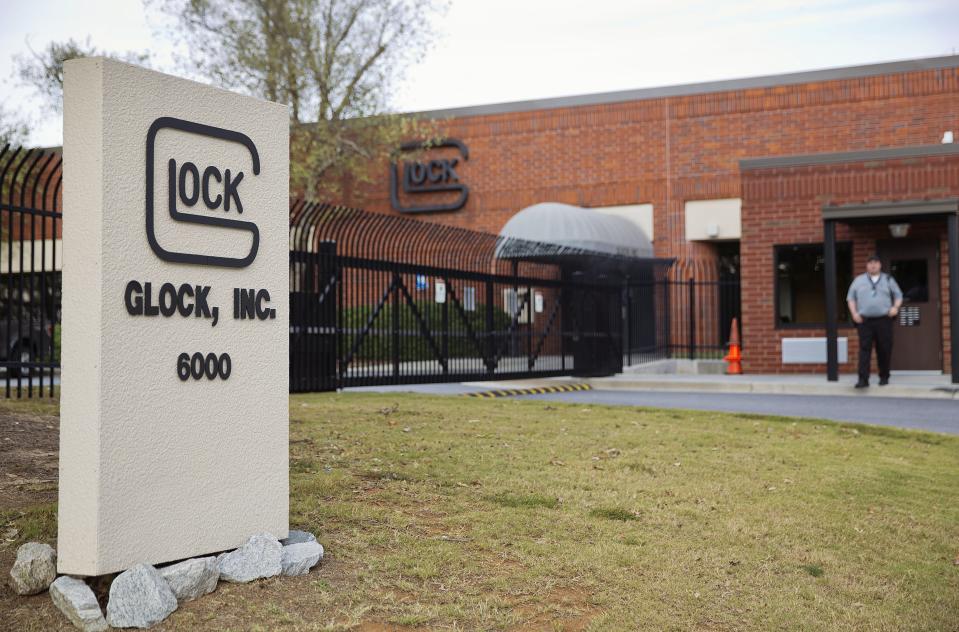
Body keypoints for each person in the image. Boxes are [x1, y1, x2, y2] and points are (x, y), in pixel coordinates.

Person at [846, 255, 903, 388]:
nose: (873, 265)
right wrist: (854, 313)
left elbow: (899, 295)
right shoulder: (858, 281)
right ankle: (863, 379)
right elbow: (851, 298)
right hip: (864, 321)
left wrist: (895, 307)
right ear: (867, 265)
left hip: (884, 320)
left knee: (884, 349)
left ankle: (884, 376)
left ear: (880, 265)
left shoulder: (888, 279)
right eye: (870, 263)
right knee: (864, 350)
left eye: (876, 263)